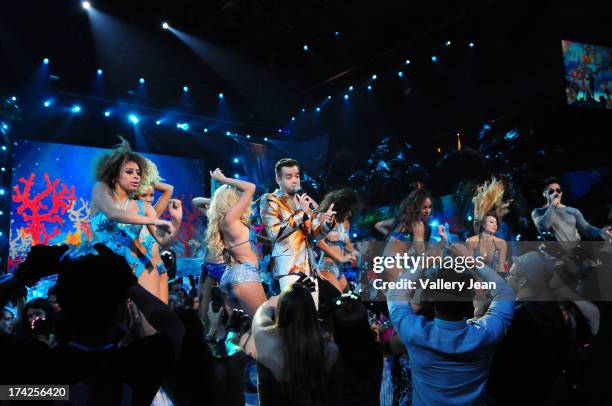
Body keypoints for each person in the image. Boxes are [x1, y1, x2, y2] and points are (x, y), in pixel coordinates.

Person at [382, 241, 514, 405]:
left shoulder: (415, 333)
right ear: (469, 299)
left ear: (430, 300)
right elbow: (505, 292)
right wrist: (471, 260)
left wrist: (423, 263)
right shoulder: (486, 334)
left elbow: (395, 293)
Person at [90, 139, 180, 301]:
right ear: (115, 173)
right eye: (129, 172)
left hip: (140, 266)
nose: (136, 177)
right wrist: (154, 221)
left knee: (150, 324)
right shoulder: (101, 189)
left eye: (138, 173)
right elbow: (112, 213)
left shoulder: (144, 208)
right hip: (103, 268)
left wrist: (176, 221)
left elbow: (164, 242)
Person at [487, 251, 570, 405]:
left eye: (510, 276)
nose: (507, 279)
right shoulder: (553, 311)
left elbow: (499, 366)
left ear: (523, 282)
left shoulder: (517, 316)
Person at [252, 279, 342, 405]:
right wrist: (300, 294)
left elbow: (262, 311)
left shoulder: (265, 339)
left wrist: (287, 294)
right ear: (311, 311)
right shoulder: (330, 349)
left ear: (281, 309)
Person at [260, 158, 335, 295]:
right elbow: (273, 233)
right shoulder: (270, 199)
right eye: (289, 177)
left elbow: (314, 234)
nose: (295, 180)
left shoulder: (303, 200)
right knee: (295, 312)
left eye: (297, 176)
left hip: (310, 267)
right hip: (288, 267)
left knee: (312, 311)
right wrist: (301, 213)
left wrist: (327, 223)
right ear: (278, 179)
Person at [205, 168, 265, 319]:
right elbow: (251, 187)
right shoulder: (230, 219)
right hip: (245, 275)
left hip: (231, 275)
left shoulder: (227, 223)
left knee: (239, 329)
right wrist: (224, 179)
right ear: (233, 199)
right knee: (263, 326)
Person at [137, 157, 182, 303]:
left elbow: (169, 189)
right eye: (144, 195)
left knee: (163, 318)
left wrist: (176, 220)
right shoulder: (127, 217)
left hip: (160, 269)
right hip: (144, 271)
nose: (149, 199)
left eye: (151, 195)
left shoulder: (151, 213)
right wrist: (137, 181)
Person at [532, 177, 612, 242]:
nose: (556, 193)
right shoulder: (538, 212)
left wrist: (600, 232)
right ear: (544, 194)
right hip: (556, 257)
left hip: (577, 252)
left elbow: (587, 229)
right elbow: (543, 226)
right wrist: (553, 204)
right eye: (551, 191)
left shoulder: (573, 211)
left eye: (558, 190)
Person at [316, 188, 361, 292]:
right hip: (327, 266)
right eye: (349, 210)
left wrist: (358, 254)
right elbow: (319, 242)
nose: (350, 214)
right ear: (342, 206)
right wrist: (340, 258)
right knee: (336, 302)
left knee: (349, 302)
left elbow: (348, 246)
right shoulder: (325, 216)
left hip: (340, 270)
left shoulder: (346, 223)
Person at [193, 196, 227, 327]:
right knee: (202, 302)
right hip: (207, 266)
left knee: (219, 305)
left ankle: (216, 336)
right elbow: (196, 202)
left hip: (220, 266)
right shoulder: (214, 216)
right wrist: (216, 199)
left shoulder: (231, 221)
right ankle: (206, 336)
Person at [466, 178, 510, 273]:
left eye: (496, 223)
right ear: (483, 223)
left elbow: (501, 269)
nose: (495, 225)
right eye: (491, 222)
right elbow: (470, 269)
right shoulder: (471, 241)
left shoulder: (501, 243)